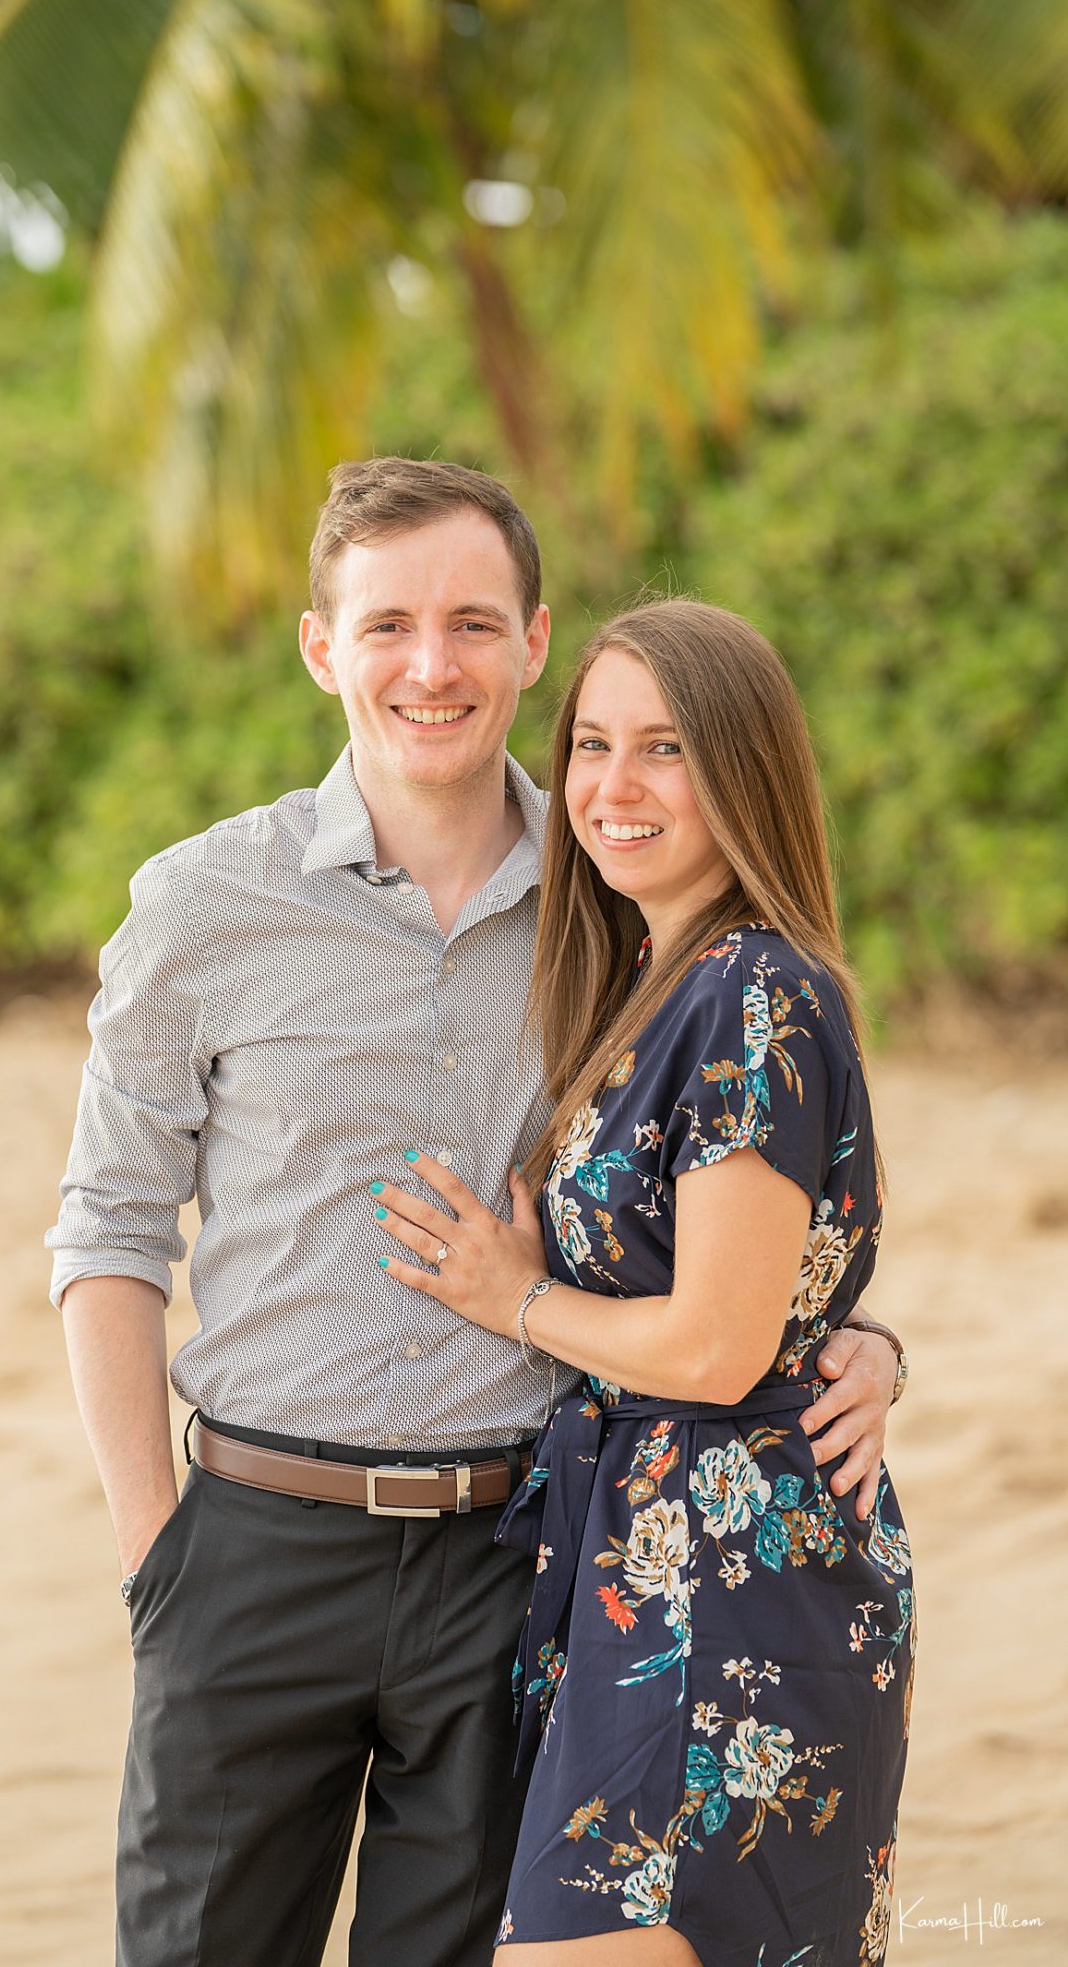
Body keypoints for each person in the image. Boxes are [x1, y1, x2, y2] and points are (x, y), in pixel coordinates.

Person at [45, 459, 906, 1967]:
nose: (428, 666)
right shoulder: (200, 906)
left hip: (519, 1564)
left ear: (529, 640)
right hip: (251, 1550)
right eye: (386, 626)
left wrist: (857, 1341)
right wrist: (154, 1552)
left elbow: (731, 1187)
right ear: (323, 647)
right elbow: (107, 1233)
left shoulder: (614, 902)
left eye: (469, 623)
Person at [370, 596, 913, 1965]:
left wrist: (512, 1298)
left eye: (664, 750)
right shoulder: (657, 981)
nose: (611, 788)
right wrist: (868, 1345)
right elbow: (784, 1300)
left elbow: (721, 1349)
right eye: (592, 744)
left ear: (745, 772)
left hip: (725, 1596)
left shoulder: (751, 996)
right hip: (650, 1572)